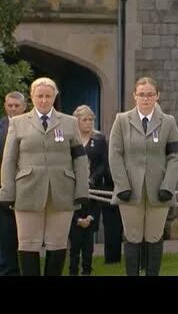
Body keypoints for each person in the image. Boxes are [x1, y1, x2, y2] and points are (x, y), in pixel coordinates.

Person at [0, 77, 89, 276]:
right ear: (32, 97)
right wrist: (6, 192)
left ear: (54, 97)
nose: (43, 100)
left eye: (48, 96)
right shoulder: (18, 123)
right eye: (39, 96)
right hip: (27, 191)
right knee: (28, 243)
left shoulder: (69, 123)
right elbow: (9, 160)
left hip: (62, 191)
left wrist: (81, 190)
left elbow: (80, 159)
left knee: (57, 243)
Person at [109, 76, 178, 276]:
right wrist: (121, 184)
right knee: (132, 236)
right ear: (134, 96)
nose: (146, 99)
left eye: (150, 95)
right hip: (129, 191)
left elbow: (175, 156)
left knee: (154, 235)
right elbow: (114, 154)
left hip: (159, 190)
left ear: (157, 96)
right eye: (141, 95)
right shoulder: (122, 120)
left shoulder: (168, 122)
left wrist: (168, 185)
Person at [68, 105, 107, 275]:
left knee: (88, 237)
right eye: (85, 119)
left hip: (94, 190)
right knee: (75, 237)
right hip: (73, 190)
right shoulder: (70, 139)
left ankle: (87, 270)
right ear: (76, 121)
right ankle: (73, 269)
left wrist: (92, 179)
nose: (88, 122)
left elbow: (104, 164)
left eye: (91, 119)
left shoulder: (99, 140)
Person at [0, 91, 27, 276]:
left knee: (24, 233)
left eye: (17, 106)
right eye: (10, 105)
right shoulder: (1, 126)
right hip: (2, 187)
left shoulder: (31, 126)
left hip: (26, 187)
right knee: (5, 231)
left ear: (24, 107)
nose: (13, 109)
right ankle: (7, 268)